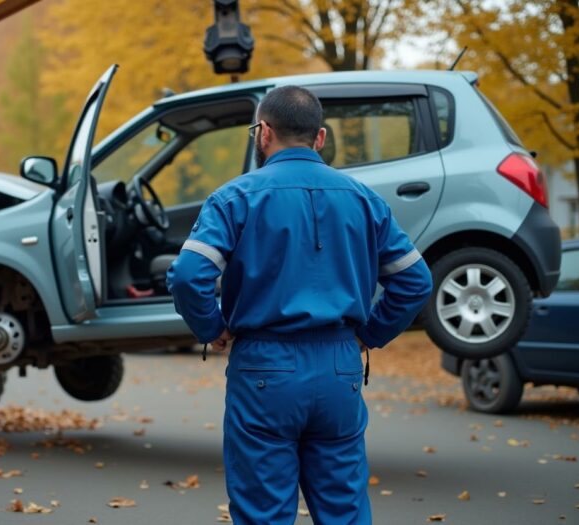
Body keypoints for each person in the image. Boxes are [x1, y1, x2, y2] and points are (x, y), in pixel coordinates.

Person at [166, 85, 433, 525]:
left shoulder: (235, 198)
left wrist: (211, 327)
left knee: (263, 514)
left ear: (263, 133)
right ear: (320, 138)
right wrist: (369, 335)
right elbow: (415, 280)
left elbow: (189, 275)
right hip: (340, 368)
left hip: (264, 369)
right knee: (344, 512)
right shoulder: (365, 199)